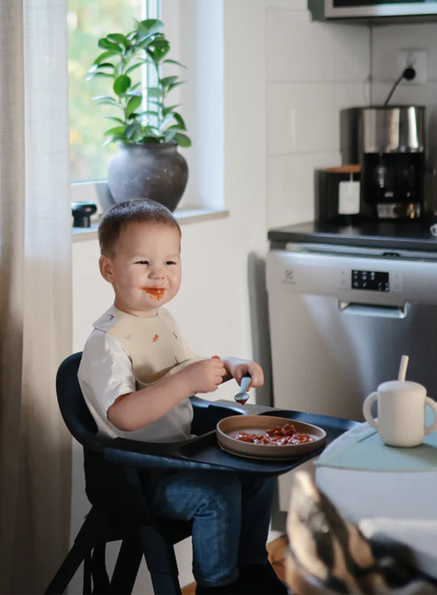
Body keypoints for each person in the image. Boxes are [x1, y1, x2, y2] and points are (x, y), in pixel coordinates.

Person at [78, 198, 287, 595]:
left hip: (179, 456)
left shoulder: (160, 320)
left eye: (170, 263)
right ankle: (219, 586)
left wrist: (231, 364)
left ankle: (252, 568)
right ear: (109, 269)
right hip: (139, 477)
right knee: (219, 493)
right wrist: (184, 383)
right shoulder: (106, 343)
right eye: (142, 263)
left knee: (257, 471)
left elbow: (188, 369)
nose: (159, 274)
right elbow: (122, 415)